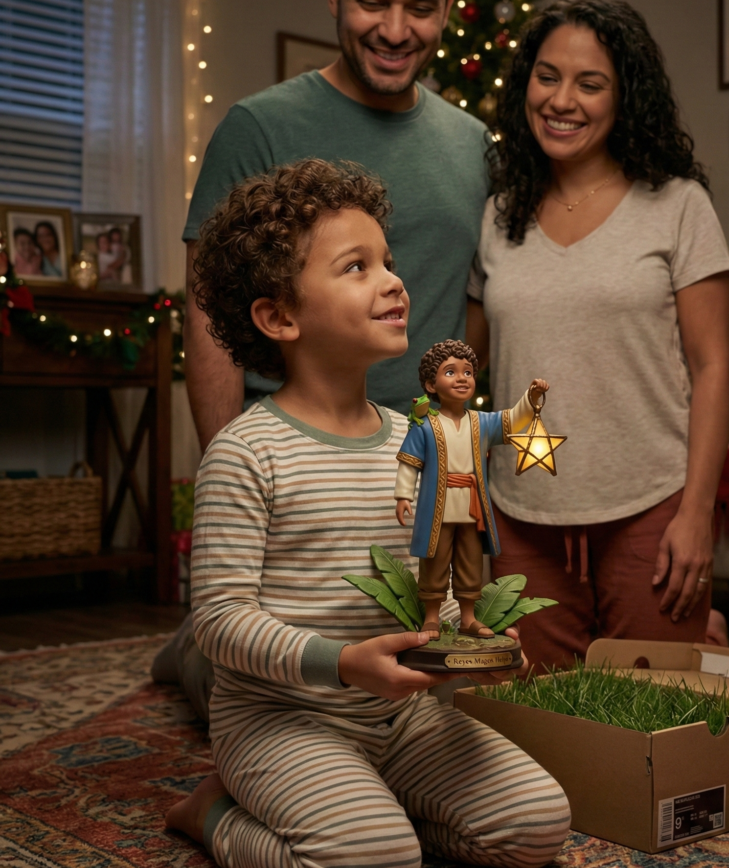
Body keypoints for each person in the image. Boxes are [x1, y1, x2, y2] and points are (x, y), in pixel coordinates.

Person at [164, 159, 570, 868]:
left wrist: (469, 647)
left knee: (540, 824)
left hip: (403, 716)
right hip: (281, 719)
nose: (393, 281)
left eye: (388, 261)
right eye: (356, 267)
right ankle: (217, 813)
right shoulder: (245, 451)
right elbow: (220, 622)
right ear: (279, 316)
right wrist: (344, 663)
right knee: (373, 858)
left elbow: (428, 586)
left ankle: (373, 810)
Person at [466, 0, 729, 670]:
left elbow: (713, 368)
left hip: (651, 505)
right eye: (548, 75)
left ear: (625, 99)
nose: (563, 100)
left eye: (591, 84)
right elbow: (467, 370)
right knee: (533, 731)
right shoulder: (496, 217)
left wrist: (696, 515)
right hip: (523, 513)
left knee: (656, 729)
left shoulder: (678, 205)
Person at [182, 0, 489, 456]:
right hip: (289, 464)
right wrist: (228, 473)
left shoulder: (473, 144)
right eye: (372, 1)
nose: (395, 31)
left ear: (446, 6)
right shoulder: (258, 126)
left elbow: (480, 306)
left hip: (429, 468)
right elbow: (207, 316)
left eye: (419, 7)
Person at [395, 338, 546, 638]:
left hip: (472, 509)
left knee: (469, 563)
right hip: (436, 509)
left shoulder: (481, 422)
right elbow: (410, 462)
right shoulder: (425, 426)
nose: (462, 378)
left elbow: (512, 420)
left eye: (468, 372)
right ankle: (432, 618)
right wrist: (403, 494)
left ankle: (468, 618)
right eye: (450, 372)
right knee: (434, 563)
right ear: (430, 385)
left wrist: (531, 398)